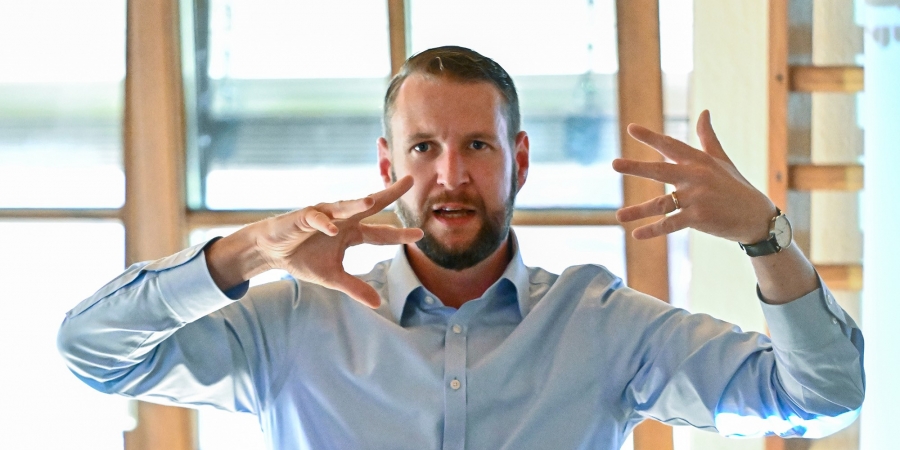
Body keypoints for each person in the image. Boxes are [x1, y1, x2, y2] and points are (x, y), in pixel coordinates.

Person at [58, 46, 864, 450]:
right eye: (423, 148)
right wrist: (249, 254)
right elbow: (92, 351)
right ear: (387, 165)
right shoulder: (292, 323)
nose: (450, 175)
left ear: (519, 160)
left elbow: (821, 397)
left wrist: (765, 235)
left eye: (477, 145)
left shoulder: (603, 324)